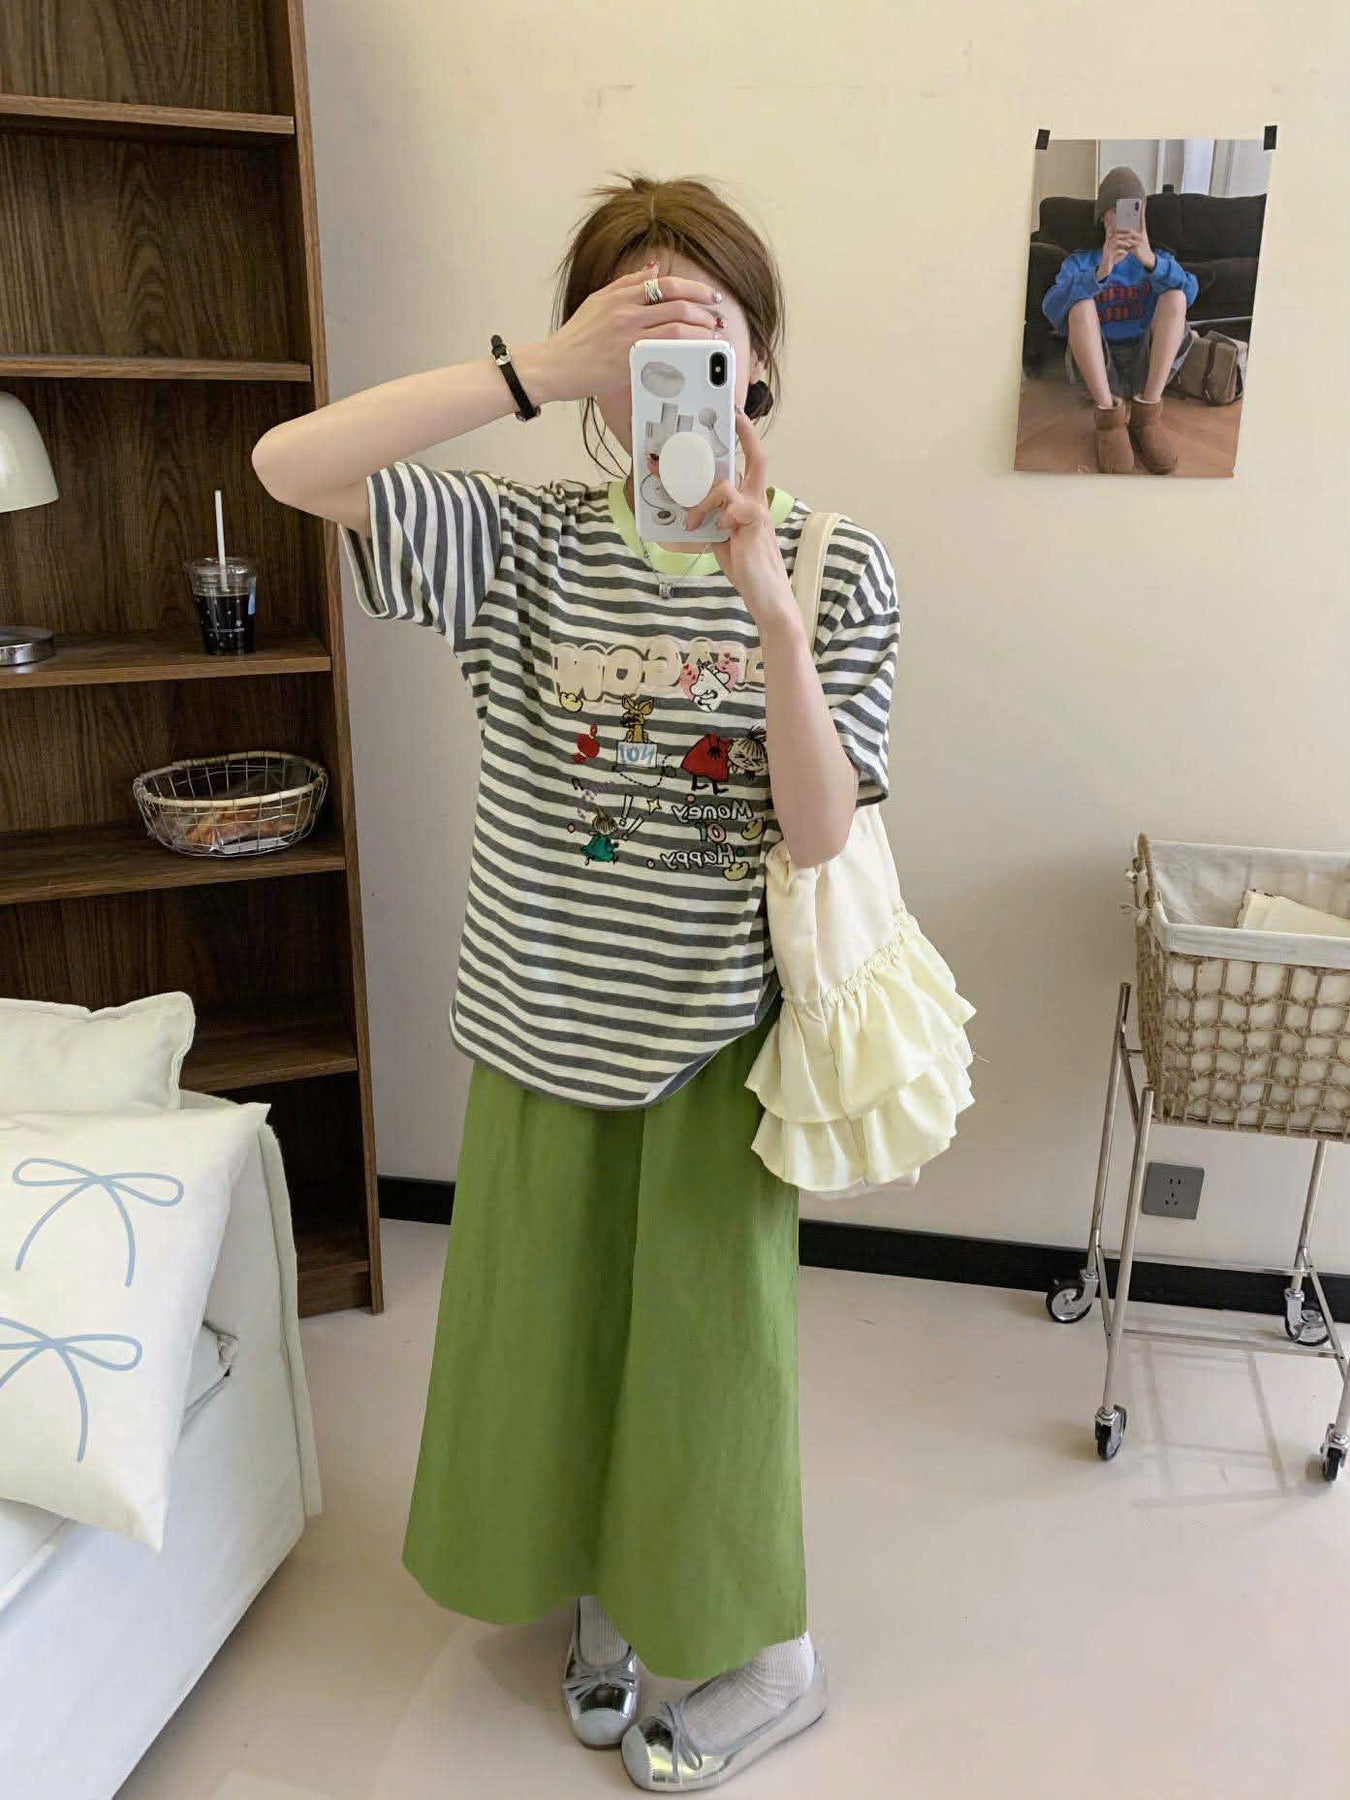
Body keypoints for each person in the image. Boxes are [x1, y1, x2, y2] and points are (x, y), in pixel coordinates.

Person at [251, 172, 902, 1791]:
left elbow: (823, 834)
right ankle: (605, 1589)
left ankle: (770, 1652)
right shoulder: (519, 545)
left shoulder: (836, 565)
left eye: (702, 328)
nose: (666, 358)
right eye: (633, 329)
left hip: (717, 1048)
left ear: (760, 363)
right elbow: (289, 465)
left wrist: (771, 618)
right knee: (550, 1347)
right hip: (540, 1028)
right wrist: (531, 371)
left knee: (710, 1372)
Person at [1041, 165, 1200, 474]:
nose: (1124, 218)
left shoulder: (1158, 259)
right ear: (1103, 219)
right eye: (1115, 211)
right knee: (1079, 304)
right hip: (1100, 370)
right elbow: (1052, 309)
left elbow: (1190, 294)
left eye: (1132, 210)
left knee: (1176, 295)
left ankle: (1147, 416)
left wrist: (1150, 260)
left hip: (1147, 366)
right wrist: (1101, 271)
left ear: (1142, 217)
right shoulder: (1081, 262)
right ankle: (1109, 420)